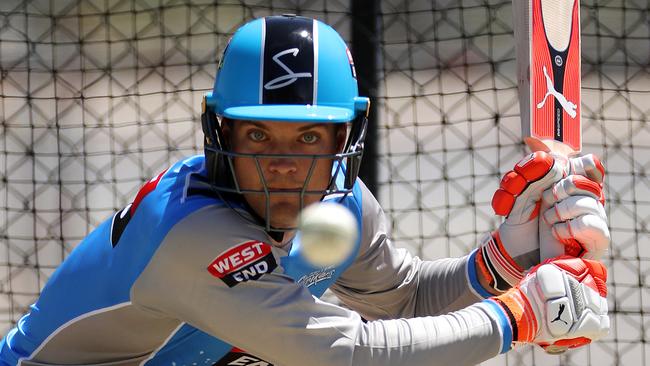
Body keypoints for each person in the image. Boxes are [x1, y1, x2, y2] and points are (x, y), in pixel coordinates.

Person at [0, 15, 610, 366]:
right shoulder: (191, 234)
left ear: (346, 137)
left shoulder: (343, 209)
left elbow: (405, 300)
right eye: (259, 135)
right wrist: (518, 315)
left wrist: (507, 257)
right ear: (220, 131)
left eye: (310, 137)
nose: (284, 164)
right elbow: (348, 357)